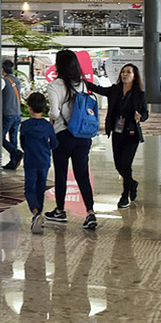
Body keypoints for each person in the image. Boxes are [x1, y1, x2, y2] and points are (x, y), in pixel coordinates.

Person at [45, 49, 97, 230]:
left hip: (63, 135)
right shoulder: (82, 84)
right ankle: (90, 212)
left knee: (61, 173)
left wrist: (51, 121)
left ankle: (60, 210)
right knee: (82, 174)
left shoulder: (55, 86)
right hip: (83, 136)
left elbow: (54, 112)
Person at [86, 63, 148, 208]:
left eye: (128, 72)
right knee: (118, 165)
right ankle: (132, 183)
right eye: (123, 72)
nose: (125, 75)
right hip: (117, 132)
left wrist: (141, 117)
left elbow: (145, 113)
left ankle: (124, 195)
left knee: (126, 165)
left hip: (131, 133)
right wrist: (82, 81)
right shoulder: (115, 90)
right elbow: (98, 89)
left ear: (134, 76)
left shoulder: (139, 94)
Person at [19, 92, 57, 234]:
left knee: (30, 188)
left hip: (30, 160)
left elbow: (22, 143)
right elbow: (54, 143)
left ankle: (35, 213)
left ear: (29, 108)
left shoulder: (25, 126)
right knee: (40, 188)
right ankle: (38, 215)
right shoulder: (48, 126)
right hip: (44, 160)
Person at [1, 60, 23, 170]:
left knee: (0, 138)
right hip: (17, 113)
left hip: (8, 113)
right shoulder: (17, 80)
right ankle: (13, 162)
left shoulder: (3, 81)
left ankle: (16, 153)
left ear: (2, 69)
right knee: (13, 138)